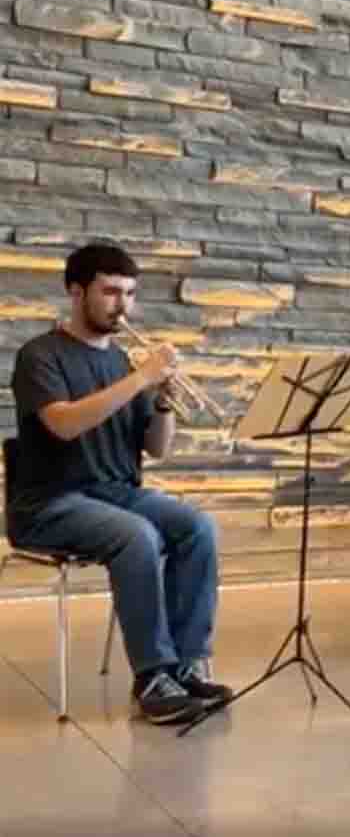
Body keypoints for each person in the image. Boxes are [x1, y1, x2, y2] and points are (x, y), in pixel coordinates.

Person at [9, 243, 233, 724]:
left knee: (199, 527)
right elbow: (64, 424)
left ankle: (185, 664)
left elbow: (157, 449)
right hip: (49, 502)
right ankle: (152, 677)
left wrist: (164, 401)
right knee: (137, 536)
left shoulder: (121, 365)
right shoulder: (40, 356)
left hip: (117, 493)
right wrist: (139, 380)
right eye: (110, 292)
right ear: (76, 291)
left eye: (130, 294)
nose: (122, 305)